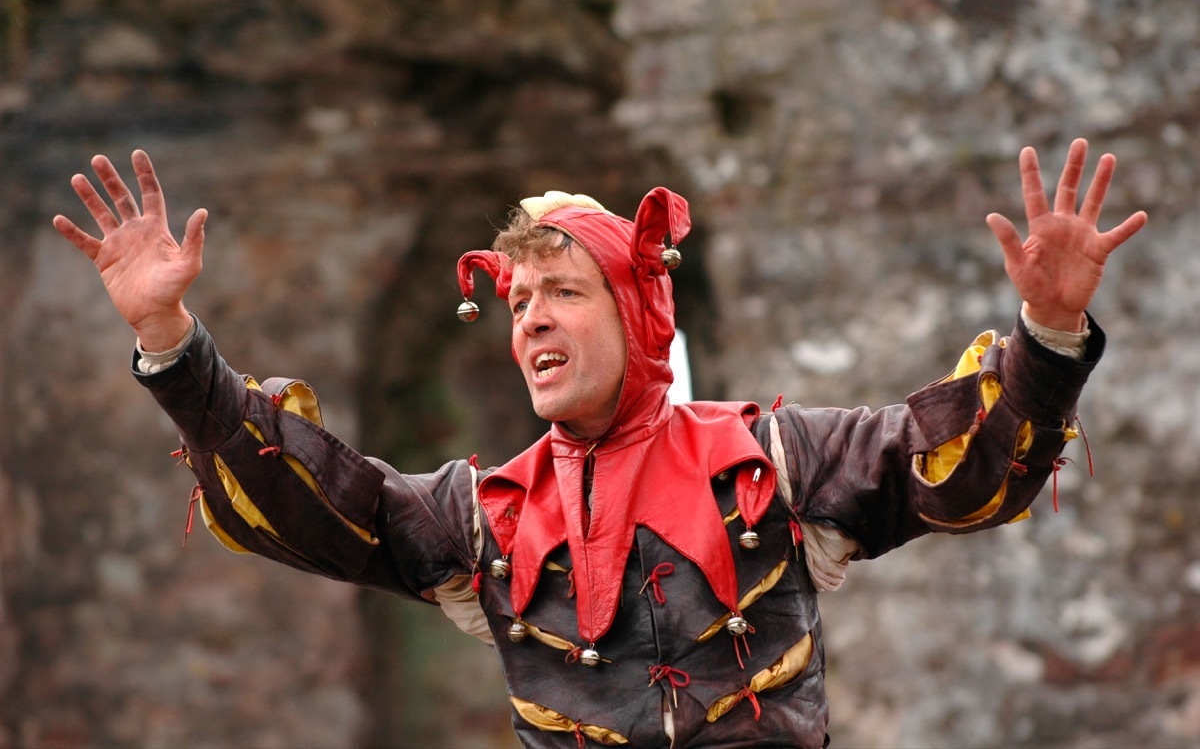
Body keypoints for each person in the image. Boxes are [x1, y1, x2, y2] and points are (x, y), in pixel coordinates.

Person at [52, 139, 1146, 748]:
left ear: (637, 314)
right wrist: (171, 343)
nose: (530, 318)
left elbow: (963, 470)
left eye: (562, 292)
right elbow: (313, 502)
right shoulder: (481, 514)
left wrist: (1047, 333)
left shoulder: (778, 458)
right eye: (517, 301)